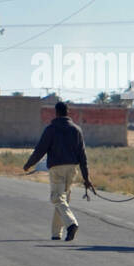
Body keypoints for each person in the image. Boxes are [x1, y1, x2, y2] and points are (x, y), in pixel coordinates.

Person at [23, 101, 92, 241]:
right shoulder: (76, 130)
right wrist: (86, 178)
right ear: (68, 112)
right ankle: (56, 233)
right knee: (62, 199)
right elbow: (82, 155)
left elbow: (40, 150)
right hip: (72, 169)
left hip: (57, 168)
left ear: (56, 112)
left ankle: (71, 224)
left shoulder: (51, 129)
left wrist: (29, 164)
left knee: (57, 198)